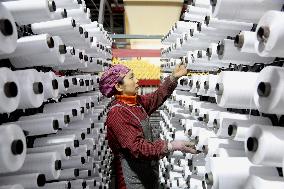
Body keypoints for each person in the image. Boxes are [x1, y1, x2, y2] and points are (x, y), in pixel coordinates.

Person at [99, 63, 197, 189]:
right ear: (118, 86)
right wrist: (171, 145)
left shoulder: (134, 102)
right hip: (131, 179)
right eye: (131, 77)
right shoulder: (118, 113)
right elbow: (137, 148)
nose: (137, 80)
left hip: (146, 172)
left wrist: (173, 78)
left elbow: (155, 98)